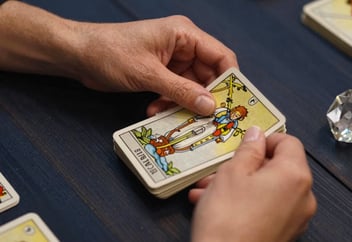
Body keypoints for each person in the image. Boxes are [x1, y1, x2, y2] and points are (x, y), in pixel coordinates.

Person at [0, 1, 317, 241]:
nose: (235, 115)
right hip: (189, 135)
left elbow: (213, 137)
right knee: (183, 134)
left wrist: (81, 45)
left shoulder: (231, 125)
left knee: (191, 140)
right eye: (236, 114)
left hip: (201, 139)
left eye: (237, 115)